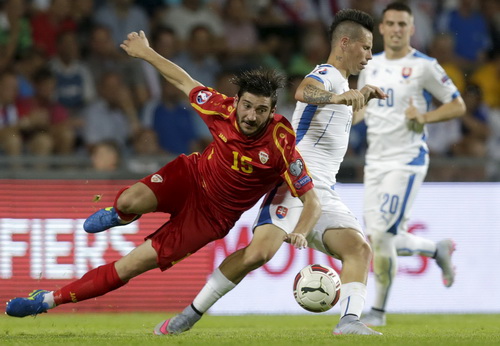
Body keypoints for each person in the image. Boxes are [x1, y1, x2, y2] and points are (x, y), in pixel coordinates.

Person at [5, 31, 321, 333]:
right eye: (247, 106)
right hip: (190, 176)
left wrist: (301, 232)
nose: (251, 116)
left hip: (210, 219)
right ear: (237, 100)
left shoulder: (281, 146)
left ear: (272, 111)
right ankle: (121, 214)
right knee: (128, 201)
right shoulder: (221, 109)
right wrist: (145, 52)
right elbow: (182, 80)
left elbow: (312, 200)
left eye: (261, 110)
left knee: (130, 267)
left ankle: (46, 299)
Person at [161, 9, 387, 336]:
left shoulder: (344, 86)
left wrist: (363, 99)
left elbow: (338, 122)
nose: (369, 55)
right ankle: (190, 314)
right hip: (295, 183)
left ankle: (349, 322)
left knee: (358, 249)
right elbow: (303, 91)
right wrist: (338, 97)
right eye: (365, 47)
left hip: (323, 192)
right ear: (345, 43)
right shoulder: (326, 75)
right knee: (259, 253)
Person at [356, 2, 466, 327]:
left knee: (382, 237)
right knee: (380, 238)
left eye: (402, 24)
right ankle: (437, 250)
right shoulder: (369, 65)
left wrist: (426, 117)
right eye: (390, 23)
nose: (396, 29)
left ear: (412, 29)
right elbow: (362, 110)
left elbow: (457, 105)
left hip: (407, 160)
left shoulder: (424, 66)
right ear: (381, 28)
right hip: (374, 162)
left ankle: (377, 312)